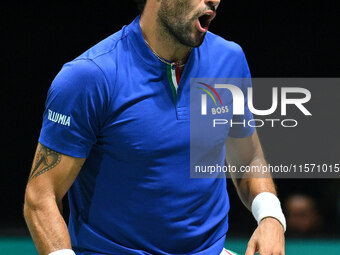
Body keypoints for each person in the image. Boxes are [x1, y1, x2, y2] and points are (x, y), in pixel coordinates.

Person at [24, 1, 286, 254]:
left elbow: (248, 157)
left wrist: (271, 216)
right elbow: (41, 196)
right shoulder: (89, 77)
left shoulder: (229, 59)